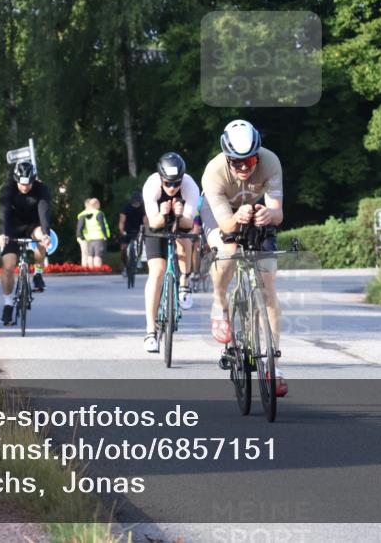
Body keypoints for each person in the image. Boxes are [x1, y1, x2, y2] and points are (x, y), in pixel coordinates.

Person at [200, 119, 287, 396]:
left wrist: (268, 214)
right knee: (228, 251)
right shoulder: (213, 172)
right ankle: (219, 302)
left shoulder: (271, 162)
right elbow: (226, 226)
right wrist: (235, 218)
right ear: (227, 157)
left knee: (268, 288)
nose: (243, 168)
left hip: (254, 211)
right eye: (236, 162)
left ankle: (275, 366)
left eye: (249, 161)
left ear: (258, 155)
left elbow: (278, 213)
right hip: (221, 214)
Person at [141, 152, 200, 353]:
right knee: (157, 272)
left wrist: (179, 214)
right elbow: (154, 222)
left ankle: (184, 283)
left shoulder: (190, 185)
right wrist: (164, 213)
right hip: (156, 225)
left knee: (185, 236)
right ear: (160, 178)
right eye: (168, 183)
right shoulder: (151, 185)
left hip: (180, 221)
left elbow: (188, 223)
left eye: (177, 183)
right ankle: (150, 330)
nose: (173, 188)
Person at [0, 161, 52, 325]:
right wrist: (2, 234)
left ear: (34, 180)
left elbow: (44, 212)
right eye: (21, 183)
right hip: (12, 227)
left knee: (42, 235)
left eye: (29, 184)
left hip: (33, 225)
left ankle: (38, 273)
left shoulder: (42, 189)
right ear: (16, 179)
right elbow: (4, 212)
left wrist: (46, 234)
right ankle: (7, 304)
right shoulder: (8, 189)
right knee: (8, 266)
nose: (25, 187)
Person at [77, 197, 109, 269]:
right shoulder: (98, 213)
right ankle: (97, 271)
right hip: (99, 237)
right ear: (96, 204)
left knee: (90, 256)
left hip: (89, 238)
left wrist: (80, 236)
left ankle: (91, 271)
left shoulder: (85, 214)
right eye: (98, 203)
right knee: (98, 256)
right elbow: (102, 225)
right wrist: (105, 235)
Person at [119, 191, 145, 276]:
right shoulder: (126, 208)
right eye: (134, 202)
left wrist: (146, 231)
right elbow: (122, 221)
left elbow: (146, 221)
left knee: (141, 245)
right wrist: (122, 231)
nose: (136, 204)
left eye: (137, 202)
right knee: (123, 249)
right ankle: (126, 267)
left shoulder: (143, 209)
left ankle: (138, 259)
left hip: (139, 230)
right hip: (127, 230)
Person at [75, 198, 93, 267]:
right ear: (88, 205)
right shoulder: (84, 214)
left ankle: (87, 269)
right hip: (83, 238)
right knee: (85, 254)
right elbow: (80, 228)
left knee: (87, 254)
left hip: (87, 237)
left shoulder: (88, 213)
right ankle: (85, 269)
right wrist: (82, 237)